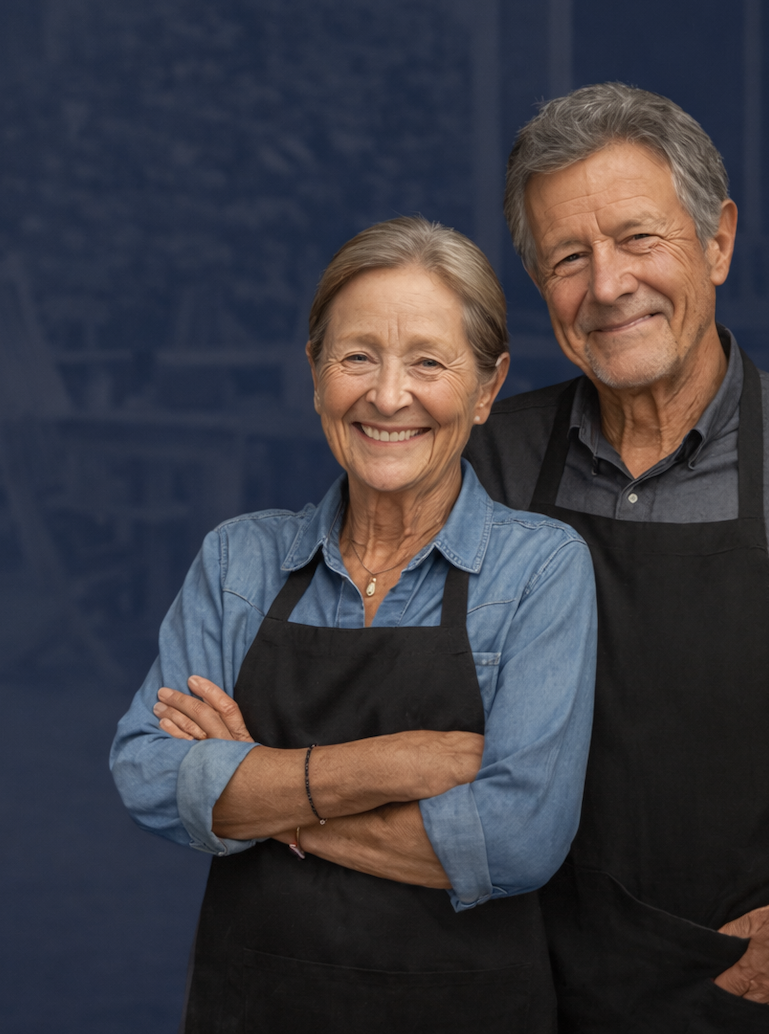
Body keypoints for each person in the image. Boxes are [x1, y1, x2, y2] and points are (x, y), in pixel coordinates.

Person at [111, 216, 596, 1034]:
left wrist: (261, 795)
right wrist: (397, 762)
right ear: (315, 374)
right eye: (357, 357)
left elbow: (517, 840)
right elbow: (147, 773)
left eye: (429, 362)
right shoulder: (237, 560)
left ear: (487, 389)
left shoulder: (540, 570)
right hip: (253, 1005)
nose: (388, 395)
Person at [464, 83, 769, 1032]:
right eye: (568, 258)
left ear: (717, 241)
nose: (606, 286)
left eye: (639, 238)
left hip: (726, 985)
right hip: (515, 975)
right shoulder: (481, 462)